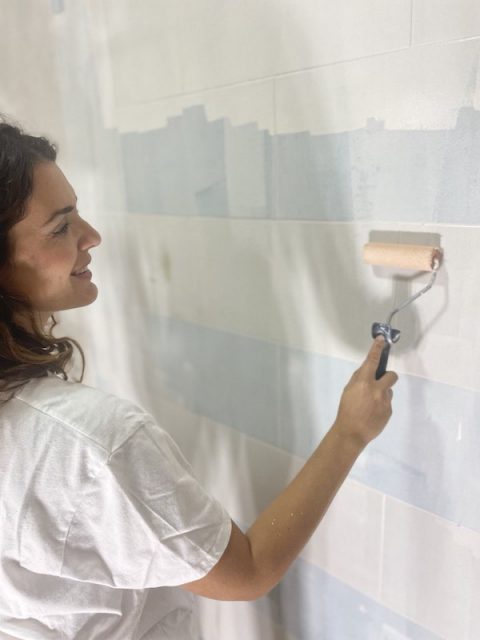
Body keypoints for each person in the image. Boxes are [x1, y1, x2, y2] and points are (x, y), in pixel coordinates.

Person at [0, 118, 398, 639]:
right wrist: (349, 433)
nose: (92, 236)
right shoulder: (94, 442)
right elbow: (247, 572)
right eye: (60, 227)